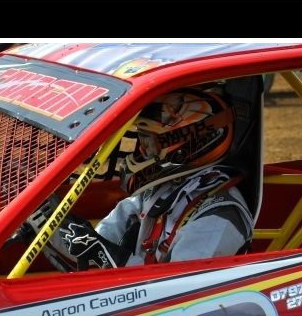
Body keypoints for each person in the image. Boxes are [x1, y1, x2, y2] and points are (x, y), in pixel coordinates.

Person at [29, 88, 254, 271]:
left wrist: (107, 255)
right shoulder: (161, 189)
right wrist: (45, 228)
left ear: (187, 144)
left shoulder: (218, 217)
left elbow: (177, 294)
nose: (142, 152)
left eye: (150, 142)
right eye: (142, 140)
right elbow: (94, 246)